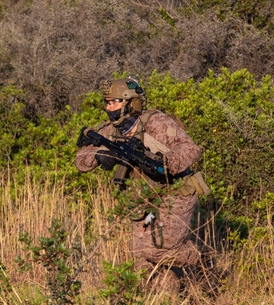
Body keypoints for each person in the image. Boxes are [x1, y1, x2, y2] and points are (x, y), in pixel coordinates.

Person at [74, 76, 209, 293]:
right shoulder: (110, 130)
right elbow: (81, 159)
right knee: (140, 259)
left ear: (130, 103)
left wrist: (165, 163)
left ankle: (201, 257)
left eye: (115, 102)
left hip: (176, 192)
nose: (109, 107)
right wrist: (99, 155)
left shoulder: (155, 122)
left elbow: (190, 149)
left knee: (155, 250)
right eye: (107, 102)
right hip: (143, 199)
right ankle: (166, 304)